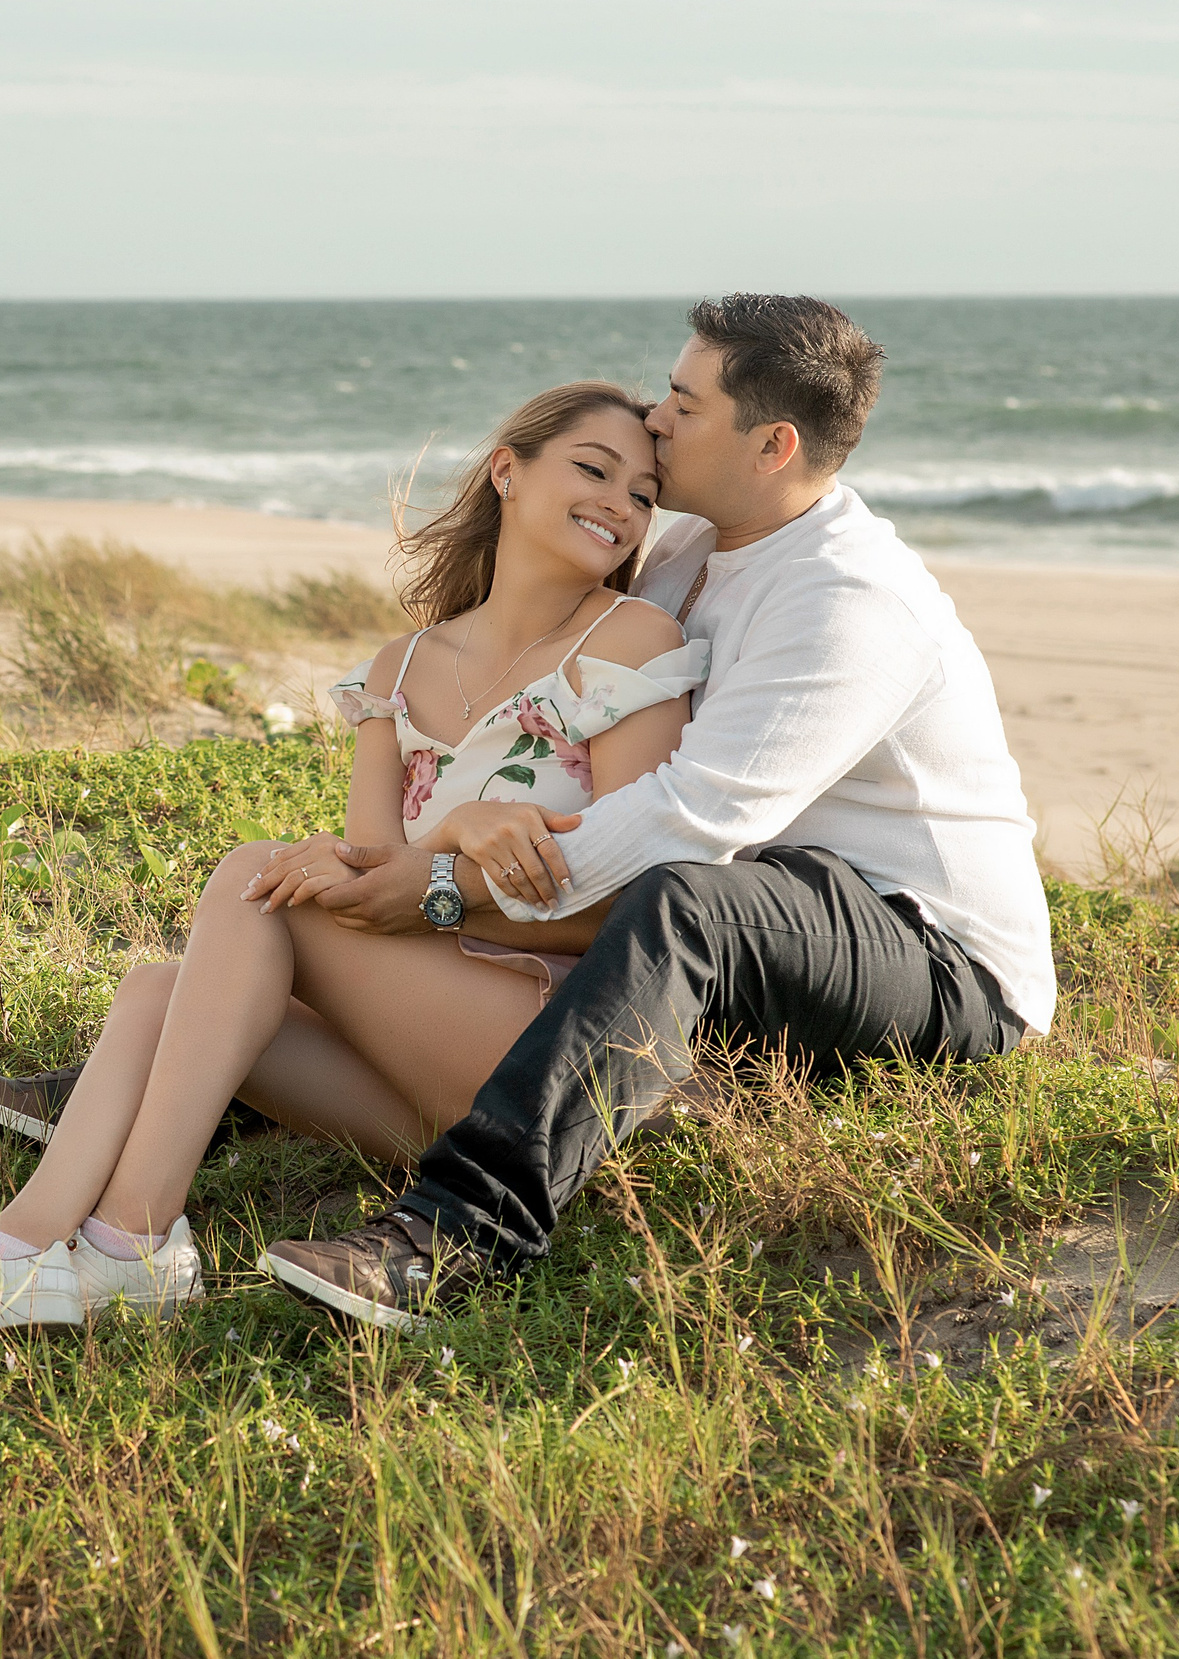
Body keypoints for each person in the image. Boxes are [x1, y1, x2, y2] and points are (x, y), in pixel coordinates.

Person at [256, 293, 1056, 1329]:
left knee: (688, 900)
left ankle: (459, 1235)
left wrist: (447, 887)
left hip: (930, 955)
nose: (654, 415)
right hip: (772, 923)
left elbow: (687, 822)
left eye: (683, 402)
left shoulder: (849, 600)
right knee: (645, 909)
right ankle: (208, 1051)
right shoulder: (692, 551)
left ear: (770, 444)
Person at [0, 381, 703, 1332]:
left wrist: (443, 866)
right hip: (424, 1060)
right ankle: (14, 1245)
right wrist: (444, 842)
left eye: (646, 493)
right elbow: (367, 871)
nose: (621, 503)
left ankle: (126, 1241)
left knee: (263, 879)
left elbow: (639, 909)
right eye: (593, 468)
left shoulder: (630, 643)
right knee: (161, 993)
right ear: (508, 470)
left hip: (560, 1057)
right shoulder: (401, 669)